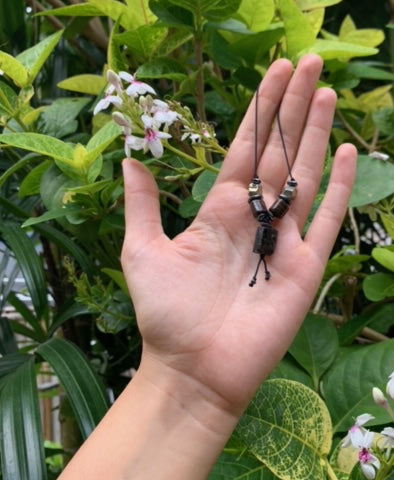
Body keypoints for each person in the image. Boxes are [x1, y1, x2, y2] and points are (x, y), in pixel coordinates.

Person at [58, 54, 357, 479]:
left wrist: (180, 383)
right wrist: (180, 378)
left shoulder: (264, 213)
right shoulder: (263, 212)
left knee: (266, 247)